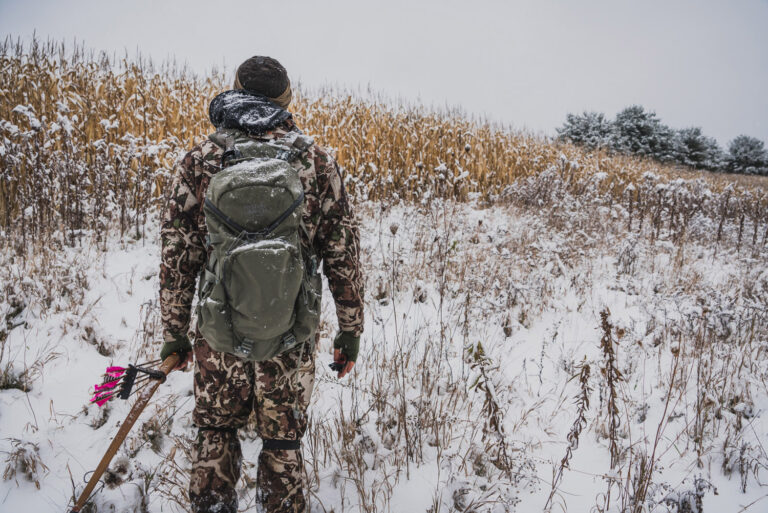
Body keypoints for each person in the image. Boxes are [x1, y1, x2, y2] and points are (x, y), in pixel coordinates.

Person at [158, 56, 364, 513]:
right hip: (291, 331)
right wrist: (350, 331)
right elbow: (342, 252)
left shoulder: (202, 159)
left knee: (216, 432)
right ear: (285, 99)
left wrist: (174, 332)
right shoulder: (315, 161)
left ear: (235, 92)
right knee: (282, 442)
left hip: (219, 331)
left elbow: (178, 254)